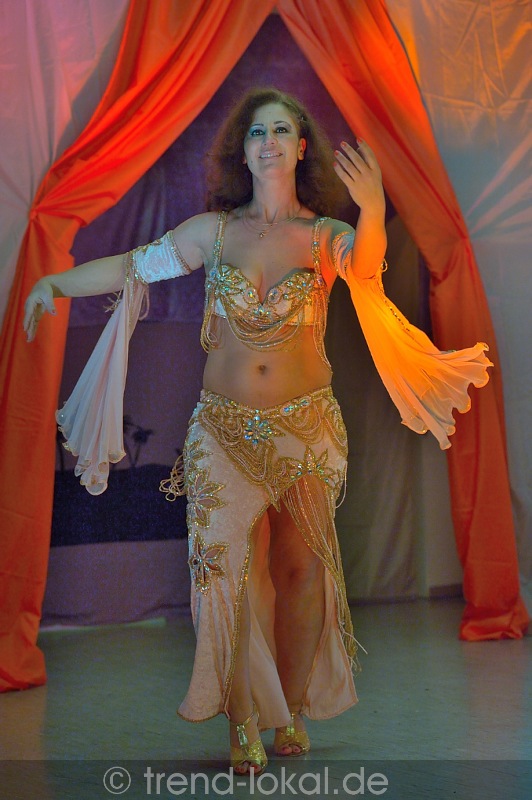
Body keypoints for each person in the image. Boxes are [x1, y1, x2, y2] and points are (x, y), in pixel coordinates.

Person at [23, 88, 491, 775]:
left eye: (281, 130)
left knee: (299, 571)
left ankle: (292, 708)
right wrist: (55, 284)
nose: (268, 141)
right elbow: (132, 266)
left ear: (301, 148)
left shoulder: (325, 237)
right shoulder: (212, 233)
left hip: (307, 431)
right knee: (223, 575)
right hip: (222, 432)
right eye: (256, 132)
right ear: (241, 153)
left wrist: (370, 211)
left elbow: (365, 269)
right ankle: (242, 718)